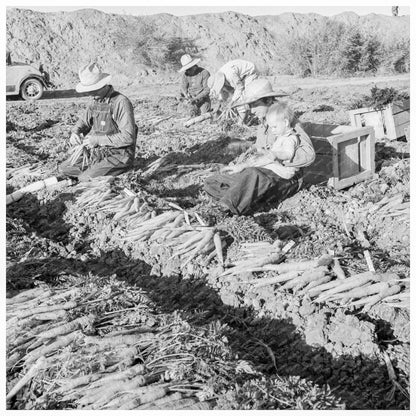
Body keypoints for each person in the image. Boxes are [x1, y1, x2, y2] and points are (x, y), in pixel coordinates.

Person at [204, 79, 315, 215]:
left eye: (254, 105)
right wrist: (241, 164)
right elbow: (259, 149)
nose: (250, 110)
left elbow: (309, 155)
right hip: (262, 174)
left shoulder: (288, 124)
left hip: (283, 180)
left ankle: (226, 209)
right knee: (213, 181)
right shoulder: (263, 124)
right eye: (249, 105)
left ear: (268, 101)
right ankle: (242, 199)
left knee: (252, 175)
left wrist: (279, 155)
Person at [59, 62, 137, 181]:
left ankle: (118, 171)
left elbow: (128, 137)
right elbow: (83, 122)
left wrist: (97, 140)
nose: (90, 95)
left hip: (119, 155)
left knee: (84, 179)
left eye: (93, 90)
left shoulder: (120, 102)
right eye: (88, 91)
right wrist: (75, 132)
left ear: (103, 85)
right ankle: (96, 170)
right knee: (64, 169)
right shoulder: (95, 101)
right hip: (98, 152)